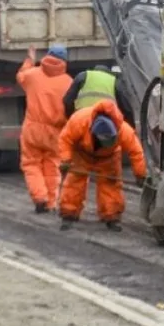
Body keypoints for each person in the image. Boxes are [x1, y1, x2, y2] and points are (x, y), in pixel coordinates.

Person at [57, 98, 146, 231]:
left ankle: (112, 217)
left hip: (109, 157)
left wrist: (140, 174)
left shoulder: (123, 130)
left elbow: (136, 151)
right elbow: (65, 139)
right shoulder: (79, 121)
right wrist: (66, 160)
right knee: (75, 182)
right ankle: (69, 213)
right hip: (82, 154)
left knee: (110, 184)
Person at [17, 44, 74, 214]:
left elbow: (20, 76)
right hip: (55, 132)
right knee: (52, 165)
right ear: (64, 61)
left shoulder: (32, 75)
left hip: (32, 129)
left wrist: (29, 60)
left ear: (47, 56)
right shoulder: (68, 82)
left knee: (31, 164)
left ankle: (39, 197)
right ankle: (50, 202)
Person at [62, 64, 134, 125]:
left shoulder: (83, 76)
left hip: (82, 119)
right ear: (108, 73)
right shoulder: (114, 81)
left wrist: (71, 118)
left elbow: (67, 101)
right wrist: (130, 127)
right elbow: (126, 109)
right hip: (106, 123)